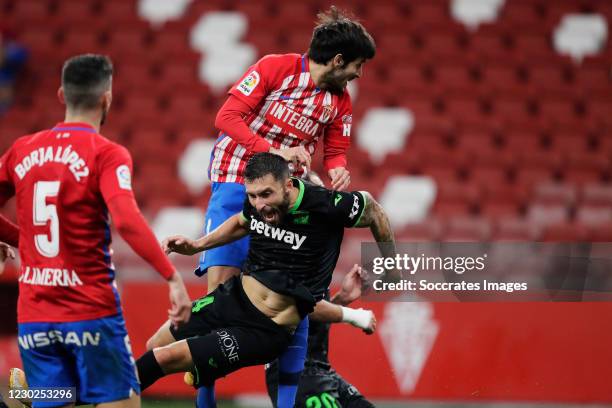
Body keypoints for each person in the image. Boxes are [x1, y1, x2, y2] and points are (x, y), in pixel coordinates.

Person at [197, 6, 375, 406]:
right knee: (219, 302)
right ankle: (205, 400)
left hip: (286, 199)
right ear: (338, 60)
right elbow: (227, 117)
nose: (359, 75)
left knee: (294, 300)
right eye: (358, 65)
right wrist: (274, 151)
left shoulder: (340, 101)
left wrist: (339, 171)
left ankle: (289, 401)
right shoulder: (275, 69)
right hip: (234, 182)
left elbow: (337, 150)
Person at [0, 54, 192, 408]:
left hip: (34, 314)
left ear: (61, 95)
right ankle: (27, 394)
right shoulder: (106, 154)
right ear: (107, 98)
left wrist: (21, 240)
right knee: (121, 402)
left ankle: (27, 394)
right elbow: (126, 220)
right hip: (90, 311)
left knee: (63, 399)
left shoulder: (21, 150)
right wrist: (172, 278)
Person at [134, 152, 397, 398]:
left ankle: (110, 399)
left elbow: (375, 212)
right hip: (232, 297)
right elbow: (241, 221)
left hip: (264, 329)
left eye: (266, 195)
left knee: (165, 358)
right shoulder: (258, 203)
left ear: (288, 185)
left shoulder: (327, 206)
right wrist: (196, 246)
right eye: (253, 196)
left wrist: (393, 268)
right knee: (152, 346)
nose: (259, 204)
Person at [266, 264, 376, 408]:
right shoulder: (294, 254)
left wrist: (341, 299)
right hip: (295, 370)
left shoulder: (320, 258)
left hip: (321, 369)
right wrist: (354, 316)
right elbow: (298, 303)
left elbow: (309, 314)